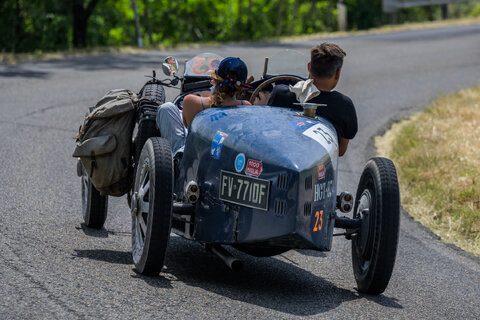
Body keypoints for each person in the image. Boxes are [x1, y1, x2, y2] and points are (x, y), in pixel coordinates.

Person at [268, 43, 357, 156]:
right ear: (337, 73)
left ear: (309, 67)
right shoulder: (344, 105)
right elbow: (340, 151)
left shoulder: (279, 93)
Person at [155, 57, 251, 157]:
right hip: (225, 157)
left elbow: (189, 129)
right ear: (241, 87)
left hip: (193, 155)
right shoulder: (246, 106)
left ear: (214, 79)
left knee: (167, 108)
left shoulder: (191, 101)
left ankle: (176, 158)